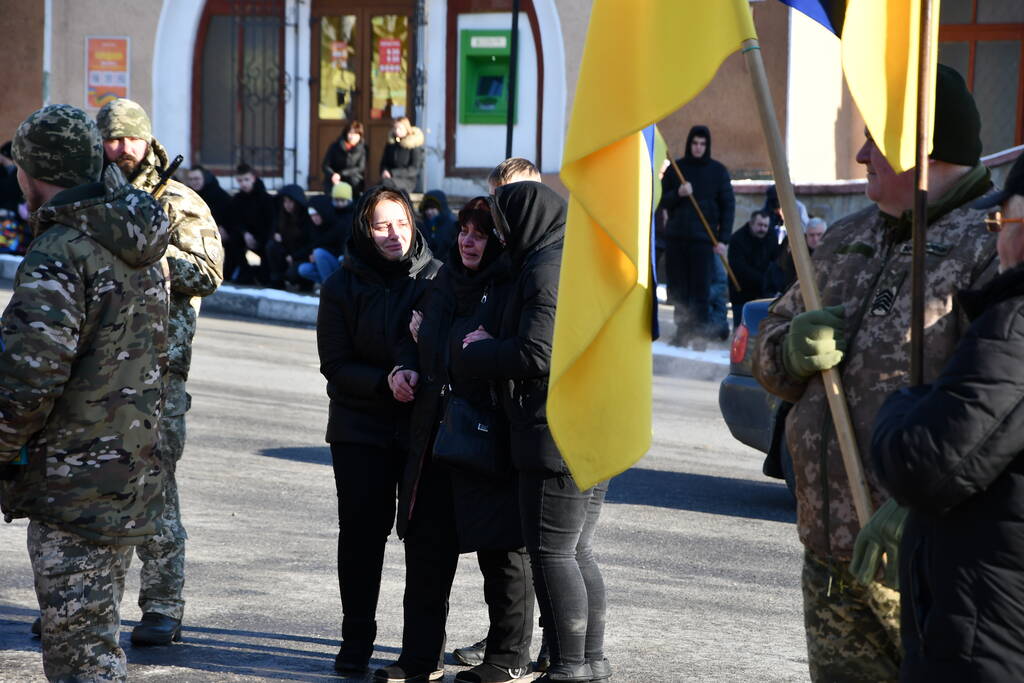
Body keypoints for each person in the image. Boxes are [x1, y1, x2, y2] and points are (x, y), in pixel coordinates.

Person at [751, 65, 998, 682]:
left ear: (925, 148)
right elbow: (769, 347)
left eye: (876, 141)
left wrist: (922, 504)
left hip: (928, 559)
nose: (861, 153)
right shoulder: (845, 236)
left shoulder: (994, 245)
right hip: (831, 557)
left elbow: (999, 404)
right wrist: (787, 352)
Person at [0, 103, 170, 682]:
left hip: (74, 484)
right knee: (96, 646)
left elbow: (27, 378)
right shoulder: (137, 234)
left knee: (82, 664)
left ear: (34, 170)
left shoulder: (63, 250)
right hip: (126, 471)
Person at [868, 152, 1024, 682]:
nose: (999, 236)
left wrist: (905, 406)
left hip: (990, 640)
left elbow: (927, 461)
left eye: (1004, 221)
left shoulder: (1016, 326)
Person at [376, 201, 533, 683]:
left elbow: (507, 352)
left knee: (502, 554)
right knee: (426, 550)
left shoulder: (509, 287)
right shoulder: (442, 282)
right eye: (464, 232)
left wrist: (455, 344)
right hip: (433, 437)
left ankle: (507, 658)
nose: (468, 241)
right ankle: (420, 660)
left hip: (487, 440)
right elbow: (412, 337)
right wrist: (402, 368)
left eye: (480, 235)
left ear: (499, 242)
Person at [461, 181, 611, 683]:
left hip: (554, 431)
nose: (499, 236)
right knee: (576, 550)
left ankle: (570, 665)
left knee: (552, 552)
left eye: (502, 225)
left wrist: (479, 350)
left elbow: (537, 353)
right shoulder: (565, 258)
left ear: (525, 220)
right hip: (586, 426)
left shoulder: (547, 270)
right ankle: (589, 661)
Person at [96, 97, 224, 646]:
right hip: (95, 372)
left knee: (155, 488)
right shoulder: (89, 198)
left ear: (147, 139)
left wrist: (149, 251)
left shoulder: (178, 202)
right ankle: (88, 604)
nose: (121, 149)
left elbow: (209, 273)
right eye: (112, 138)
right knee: (92, 488)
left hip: (158, 371)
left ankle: (163, 606)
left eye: (130, 138)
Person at [316, 186, 441, 677]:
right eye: (381, 225)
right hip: (359, 428)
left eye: (402, 222)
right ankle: (356, 640)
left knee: (427, 541)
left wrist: (416, 361)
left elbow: (450, 347)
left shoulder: (439, 280)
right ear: (364, 231)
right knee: (362, 538)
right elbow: (335, 364)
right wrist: (384, 380)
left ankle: (420, 651)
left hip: (422, 430)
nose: (394, 235)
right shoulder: (341, 286)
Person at [658, 125, 735, 348]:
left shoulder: (718, 172)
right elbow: (662, 200)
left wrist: (723, 240)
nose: (698, 148)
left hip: (704, 241)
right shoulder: (677, 169)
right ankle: (682, 332)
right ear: (689, 144)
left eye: (702, 144)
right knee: (679, 289)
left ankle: (699, 334)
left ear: (707, 145)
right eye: (695, 143)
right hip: (677, 238)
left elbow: (727, 207)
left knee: (700, 290)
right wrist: (678, 194)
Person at [727, 209, 780, 328]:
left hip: (764, 292)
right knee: (741, 329)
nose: (763, 229)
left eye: (765, 226)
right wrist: (763, 279)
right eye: (760, 225)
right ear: (751, 224)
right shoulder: (737, 239)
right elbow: (738, 267)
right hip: (741, 290)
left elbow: (776, 261)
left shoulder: (771, 237)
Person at [224, 163, 275, 284]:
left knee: (265, 276)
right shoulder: (237, 199)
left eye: (246, 179)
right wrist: (245, 233)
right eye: (240, 180)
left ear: (253, 178)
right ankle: (244, 271)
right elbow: (235, 220)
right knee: (233, 240)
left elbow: (271, 222)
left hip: (264, 236)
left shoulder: (266, 198)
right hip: (246, 236)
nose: (244, 184)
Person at [763, 218, 828, 298]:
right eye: (811, 235)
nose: (815, 239)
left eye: (819, 235)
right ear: (806, 235)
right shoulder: (796, 254)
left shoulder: (830, 254)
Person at [265, 183, 312, 291]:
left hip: (301, 257)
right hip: (286, 254)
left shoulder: (306, 219)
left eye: (291, 201)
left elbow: (310, 243)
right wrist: (276, 237)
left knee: (293, 275)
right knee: (271, 246)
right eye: (285, 201)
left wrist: (295, 256)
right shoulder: (281, 216)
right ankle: (277, 281)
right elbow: (274, 232)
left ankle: (304, 284)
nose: (287, 205)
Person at [298, 194, 350, 285]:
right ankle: (330, 286)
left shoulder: (338, 225)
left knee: (319, 253)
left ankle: (328, 289)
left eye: (316, 214)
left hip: (339, 263)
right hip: (323, 263)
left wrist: (318, 253)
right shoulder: (314, 228)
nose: (314, 218)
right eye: (311, 216)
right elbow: (313, 244)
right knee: (303, 269)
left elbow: (341, 247)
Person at [380, 117, 425, 195]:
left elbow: (414, 169)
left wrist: (393, 173)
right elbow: (384, 163)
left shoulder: (413, 145)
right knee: (376, 188)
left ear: (406, 129)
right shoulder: (391, 145)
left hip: (408, 181)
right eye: (395, 128)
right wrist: (385, 171)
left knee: (386, 185)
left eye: (400, 128)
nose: (397, 131)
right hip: (390, 179)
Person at [322, 120, 367, 195]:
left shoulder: (362, 148)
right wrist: (333, 175)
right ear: (346, 133)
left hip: (352, 177)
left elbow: (360, 167)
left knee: (355, 182)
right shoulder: (335, 146)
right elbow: (325, 165)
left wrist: (342, 173)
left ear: (360, 135)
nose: (352, 136)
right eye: (350, 133)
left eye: (356, 134)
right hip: (334, 177)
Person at [420, 190, 458, 257]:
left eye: (432, 207)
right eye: (426, 208)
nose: (429, 212)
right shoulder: (425, 224)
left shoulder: (452, 225)